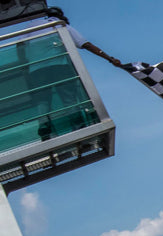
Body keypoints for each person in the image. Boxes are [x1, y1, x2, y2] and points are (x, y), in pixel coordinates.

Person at [23, 8, 121, 140]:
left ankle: (44, 127)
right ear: (61, 17)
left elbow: (20, 46)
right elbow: (86, 44)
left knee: (43, 100)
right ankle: (78, 126)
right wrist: (110, 59)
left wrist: (26, 68)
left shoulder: (31, 26)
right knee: (68, 99)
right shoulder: (61, 25)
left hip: (36, 70)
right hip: (59, 67)